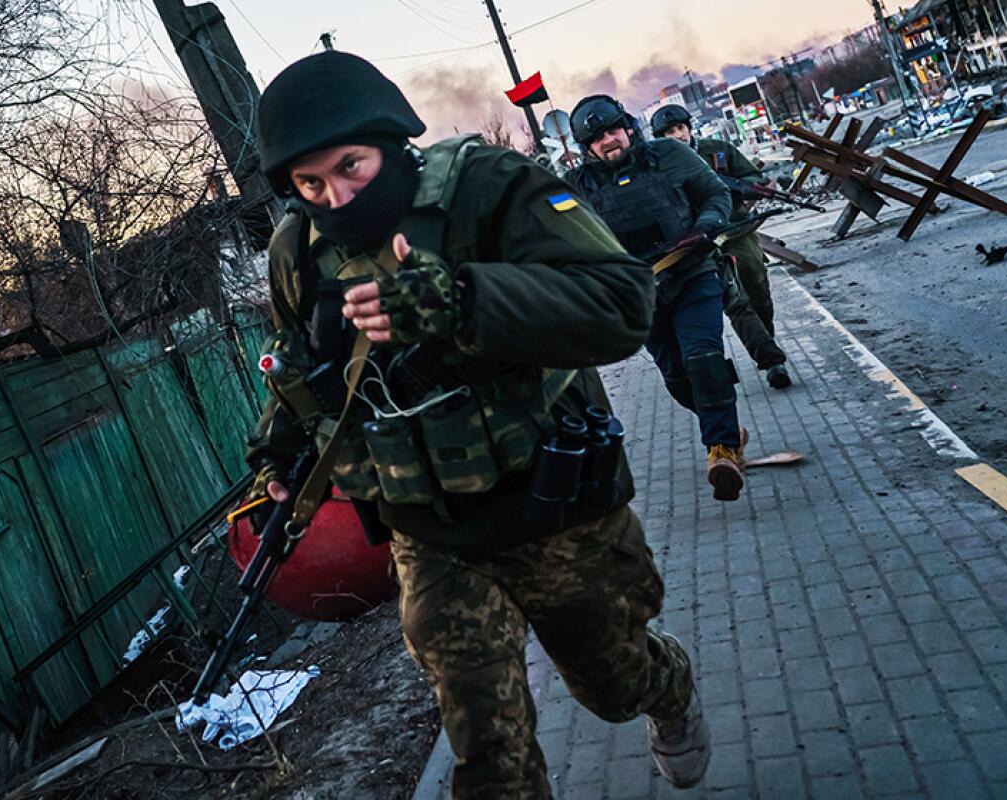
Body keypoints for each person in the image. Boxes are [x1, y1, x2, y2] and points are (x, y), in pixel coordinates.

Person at [244, 51, 709, 799]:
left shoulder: (487, 190)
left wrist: (464, 302)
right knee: (488, 750)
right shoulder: (298, 252)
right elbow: (298, 359)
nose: (336, 197)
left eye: (352, 167)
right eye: (310, 184)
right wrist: (280, 446)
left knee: (612, 685)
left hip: (552, 502)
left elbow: (623, 304)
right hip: (428, 530)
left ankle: (670, 684)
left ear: (390, 141)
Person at [566, 94, 747, 501]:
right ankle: (727, 427)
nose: (609, 141)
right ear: (587, 147)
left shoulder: (668, 155)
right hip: (639, 293)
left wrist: (704, 227)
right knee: (678, 378)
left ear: (627, 128)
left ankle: (722, 451)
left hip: (692, 272)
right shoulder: (577, 187)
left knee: (703, 357)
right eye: (598, 138)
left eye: (613, 130)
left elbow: (717, 195)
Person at [650, 103, 791, 389]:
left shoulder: (718, 151)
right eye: (668, 132)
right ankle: (771, 361)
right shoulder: (659, 166)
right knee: (735, 301)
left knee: (757, 290)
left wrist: (739, 188)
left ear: (689, 128)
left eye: (680, 128)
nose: (677, 135)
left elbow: (754, 178)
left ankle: (768, 340)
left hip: (736, 232)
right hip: (698, 245)